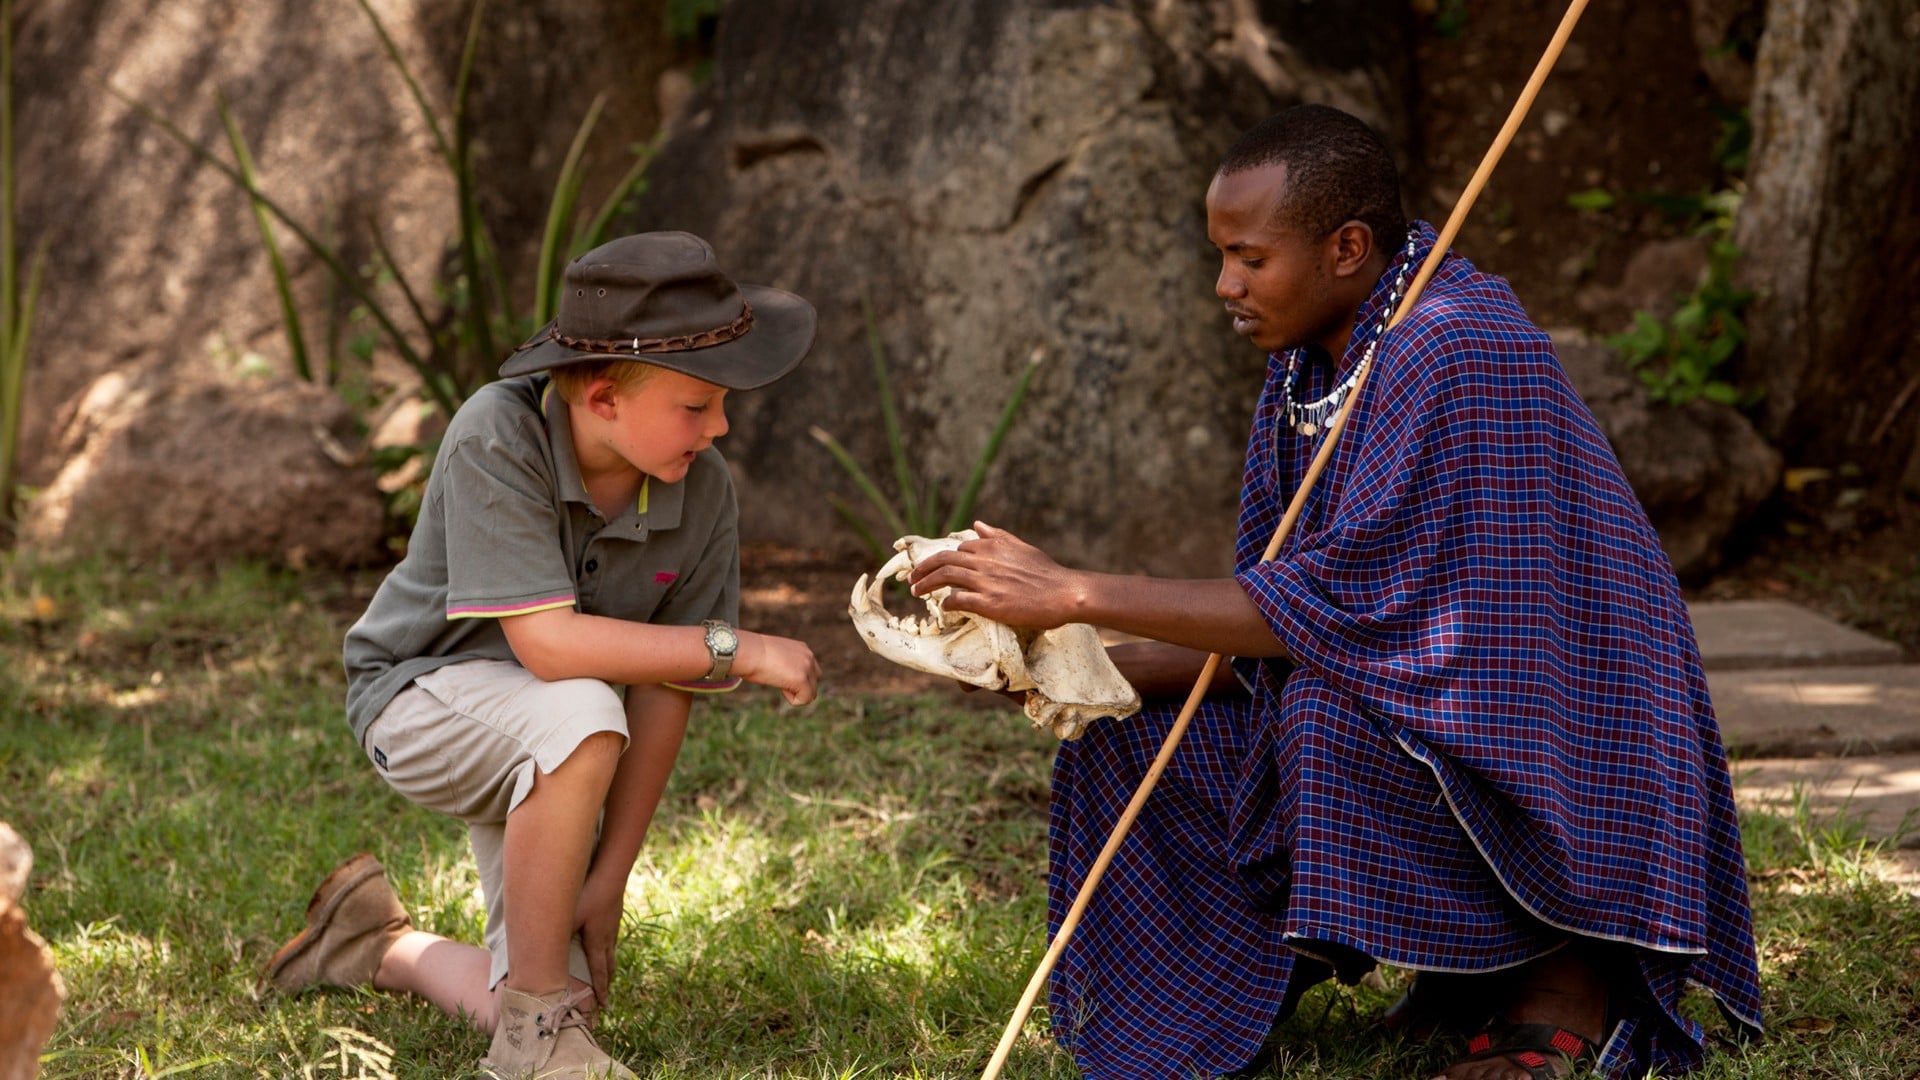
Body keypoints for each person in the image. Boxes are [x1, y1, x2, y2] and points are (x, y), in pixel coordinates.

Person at [907, 105, 1763, 1080]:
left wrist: (1072, 591)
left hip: (1561, 756)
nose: (1225, 284)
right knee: (1125, 722)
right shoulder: (1318, 353)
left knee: (1323, 716)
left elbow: (1337, 618)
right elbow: (1306, 616)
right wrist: (1080, 666)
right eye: (1220, 256)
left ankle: (1564, 980)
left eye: (1248, 257)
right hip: (1413, 697)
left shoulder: (1450, 350)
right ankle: (1234, 1009)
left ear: (1347, 247)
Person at [260, 232, 822, 1080]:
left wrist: (612, 871)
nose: (720, 427)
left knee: (565, 995)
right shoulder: (499, 430)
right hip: (419, 702)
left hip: (544, 732)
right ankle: (527, 1047)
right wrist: (737, 648)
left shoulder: (701, 488)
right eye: (697, 405)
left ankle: (376, 944)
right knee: (584, 706)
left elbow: (667, 688)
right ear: (603, 398)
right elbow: (550, 646)